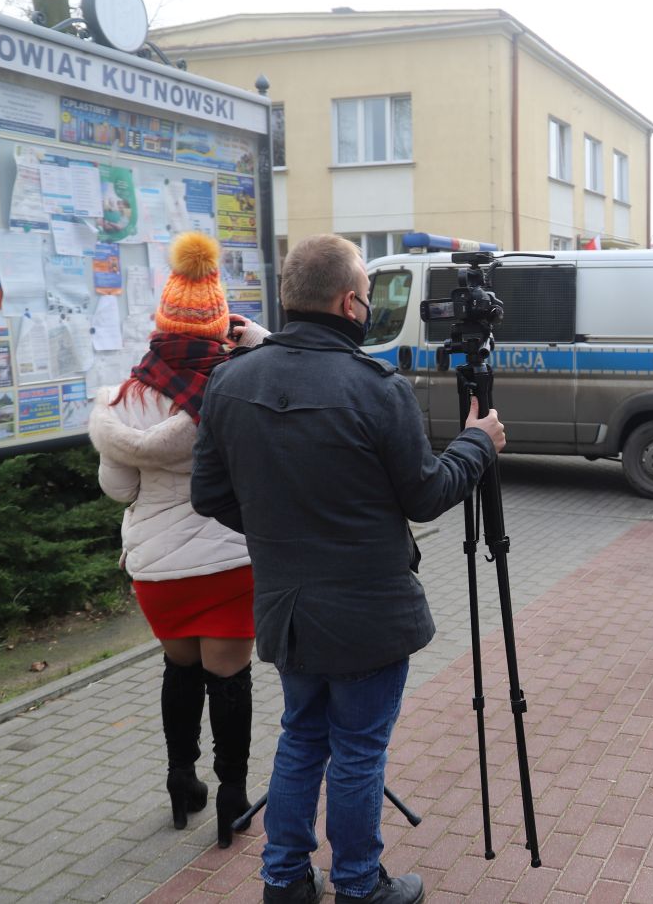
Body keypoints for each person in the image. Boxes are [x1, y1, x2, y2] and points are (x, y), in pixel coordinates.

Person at [191, 233, 505, 904]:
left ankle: (284, 881)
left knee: (302, 736)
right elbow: (427, 493)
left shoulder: (229, 380)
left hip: (289, 609)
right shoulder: (376, 390)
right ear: (350, 302)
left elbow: (209, 495)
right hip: (367, 612)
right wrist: (477, 444)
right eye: (364, 296)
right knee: (358, 750)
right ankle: (359, 885)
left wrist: (279, 531)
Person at [87, 231, 268, 848]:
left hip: (158, 570)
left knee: (179, 670)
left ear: (161, 322)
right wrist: (259, 342)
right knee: (230, 681)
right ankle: (233, 798)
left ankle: (179, 782)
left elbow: (117, 488)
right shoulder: (239, 386)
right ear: (222, 325)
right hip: (228, 560)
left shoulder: (125, 398)